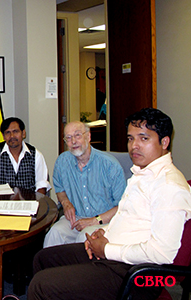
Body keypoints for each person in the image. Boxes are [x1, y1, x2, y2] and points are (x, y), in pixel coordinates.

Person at [28, 108, 191, 300]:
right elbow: (128, 217)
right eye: (131, 139)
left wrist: (105, 249)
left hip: (135, 274)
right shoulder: (142, 174)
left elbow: (162, 254)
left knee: (41, 285)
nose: (134, 146)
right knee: (44, 258)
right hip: (115, 253)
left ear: (164, 142)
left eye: (144, 138)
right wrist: (105, 232)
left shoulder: (169, 186)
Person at [43, 121, 126, 248]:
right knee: (54, 234)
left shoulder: (110, 165)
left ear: (88, 136)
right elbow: (60, 189)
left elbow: (122, 206)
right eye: (69, 138)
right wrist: (65, 203)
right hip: (75, 219)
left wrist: (95, 220)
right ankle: (49, 268)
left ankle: (74, 268)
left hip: (103, 221)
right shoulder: (62, 162)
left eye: (77, 135)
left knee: (84, 238)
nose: (73, 142)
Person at [0, 117, 51, 194]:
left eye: (15, 131)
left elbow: (41, 185)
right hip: (1, 203)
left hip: (28, 202)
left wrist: (37, 203)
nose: (12, 136)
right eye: (8, 132)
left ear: (23, 133)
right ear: (3, 136)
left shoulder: (35, 155)